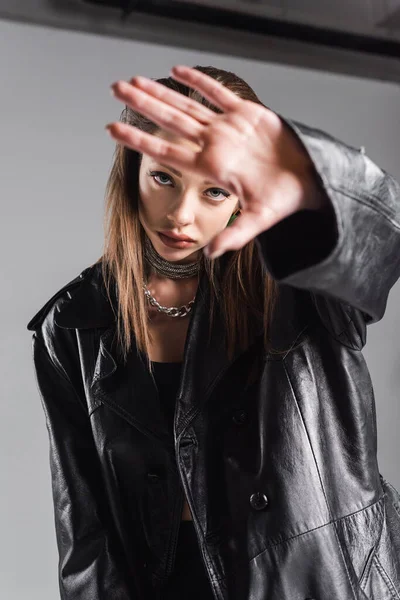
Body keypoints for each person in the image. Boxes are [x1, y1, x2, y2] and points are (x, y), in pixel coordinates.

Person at [27, 64, 400, 600]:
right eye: (163, 178)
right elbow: (86, 535)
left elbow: (379, 240)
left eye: (215, 192)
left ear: (244, 195)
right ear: (132, 169)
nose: (182, 215)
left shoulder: (301, 281)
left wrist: (296, 162)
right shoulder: (74, 324)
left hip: (319, 581)